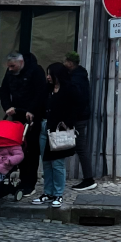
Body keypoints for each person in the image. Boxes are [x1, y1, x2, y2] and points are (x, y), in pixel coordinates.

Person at [0, 51, 49, 196]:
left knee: (31, 149)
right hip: (17, 114)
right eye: (9, 66)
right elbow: (3, 90)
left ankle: (30, 182)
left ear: (21, 63)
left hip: (32, 116)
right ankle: (21, 179)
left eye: (13, 66)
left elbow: (40, 93)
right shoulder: (11, 73)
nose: (10, 69)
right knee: (18, 148)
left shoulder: (35, 71)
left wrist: (32, 110)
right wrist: (7, 106)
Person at [32, 63, 77, 208]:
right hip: (45, 126)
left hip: (58, 129)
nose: (48, 77)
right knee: (45, 162)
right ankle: (48, 192)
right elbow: (39, 104)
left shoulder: (69, 90)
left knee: (57, 163)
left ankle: (58, 193)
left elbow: (75, 109)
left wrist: (67, 123)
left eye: (50, 74)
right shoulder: (47, 89)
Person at [63, 51, 96, 192]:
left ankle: (89, 179)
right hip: (78, 117)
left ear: (70, 63)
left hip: (78, 118)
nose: (64, 64)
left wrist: (71, 118)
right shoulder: (78, 76)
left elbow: (78, 101)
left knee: (80, 148)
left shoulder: (76, 79)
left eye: (65, 61)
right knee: (71, 147)